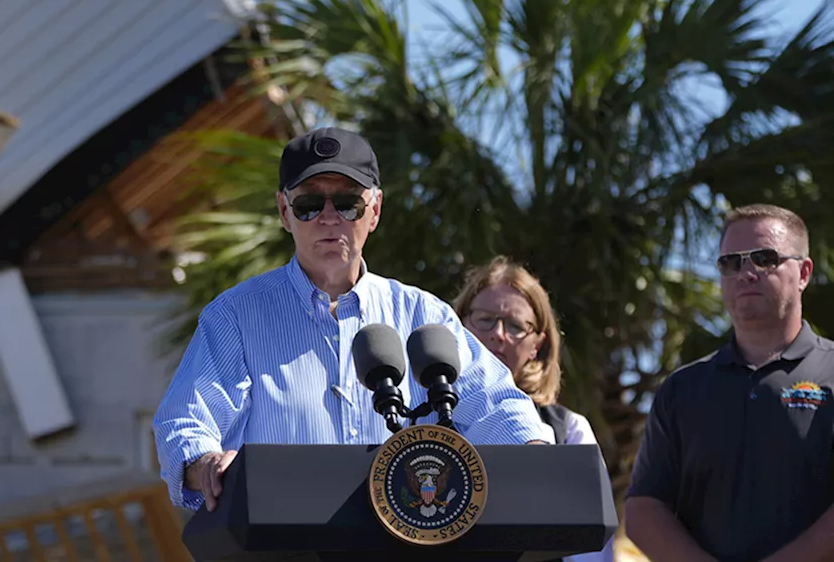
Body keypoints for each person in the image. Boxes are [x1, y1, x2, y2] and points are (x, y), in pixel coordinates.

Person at [153, 127, 551, 512]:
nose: (329, 218)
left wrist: (536, 455)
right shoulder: (235, 316)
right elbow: (186, 423)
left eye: (347, 204)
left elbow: (497, 407)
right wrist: (205, 464)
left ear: (374, 210)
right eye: (309, 205)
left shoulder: (423, 315)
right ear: (283, 212)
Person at [626, 203, 834, 562]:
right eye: (731, 262)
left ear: (803, 273)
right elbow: (644, 508)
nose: (746, 273)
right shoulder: (682, 389)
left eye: (765, 258)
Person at [453, 256, 614, 562]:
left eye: (515, 326)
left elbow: (590, 551)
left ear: (536, 345)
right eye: (485, 319)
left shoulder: (566, 429)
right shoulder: (422, 416)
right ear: (460, 322)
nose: (498, 334)